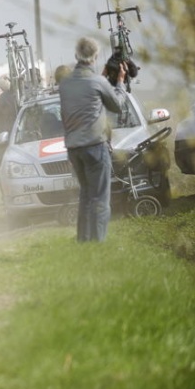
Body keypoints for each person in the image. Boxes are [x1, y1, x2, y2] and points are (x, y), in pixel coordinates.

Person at [59, 37, 126, 242]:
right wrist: (120, 83)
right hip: (95, 146)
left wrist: (102, 77)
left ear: (75, 56)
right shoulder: (98, 81)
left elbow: (81, 95)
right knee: (100, 198)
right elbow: (117, 105)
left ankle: (84, 241)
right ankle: (98, 243)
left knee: (86, 195)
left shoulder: (65, 83)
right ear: (96, 56)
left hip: (74, 147)